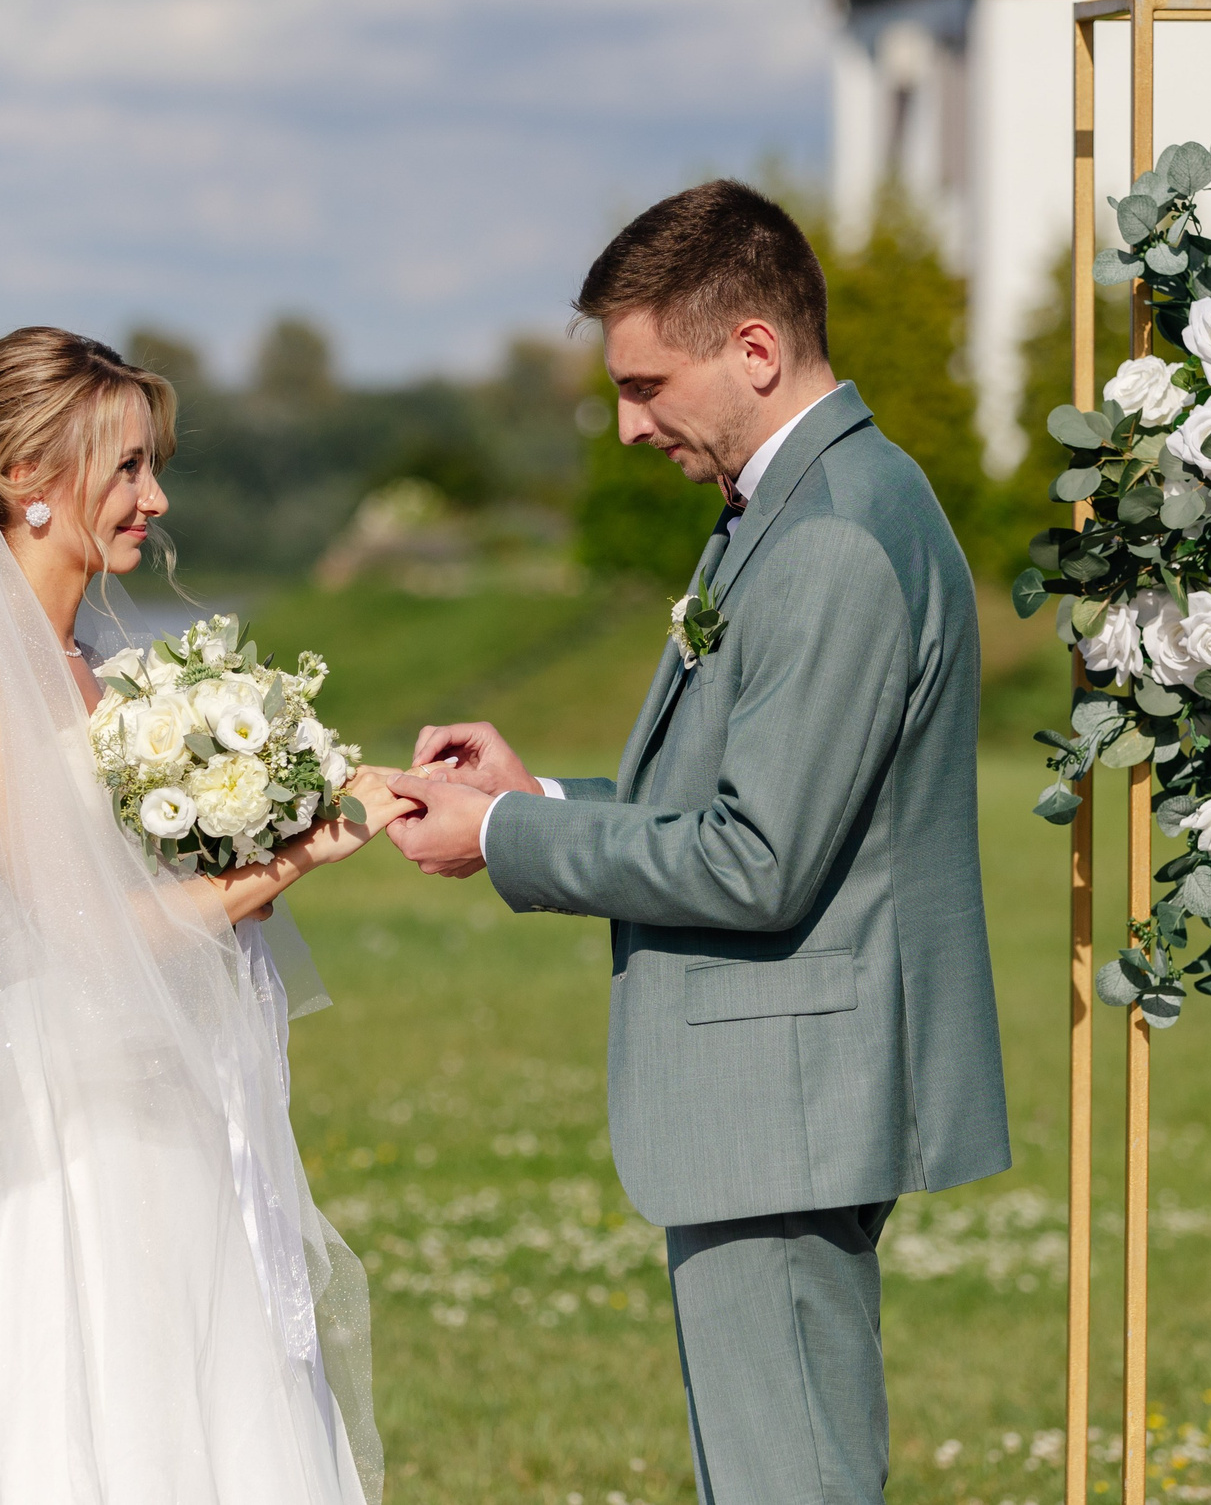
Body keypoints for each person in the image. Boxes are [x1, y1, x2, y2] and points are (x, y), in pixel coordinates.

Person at [388, 181, 1009, 1505]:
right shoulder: (798, 503)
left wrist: (504, 837)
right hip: (780, 1084)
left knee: (790, 1478)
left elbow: (756, 857)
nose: (626, 424)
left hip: (787, 1097)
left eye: (646, 381)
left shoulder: (835, 534)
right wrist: (543, 792)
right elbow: (749, 793)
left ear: (755, 350)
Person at [0, 328, 404, 1505]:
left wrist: (257, 824)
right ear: (23, 482)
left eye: (150, 466)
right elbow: (82, 930)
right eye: (126, 469)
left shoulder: (99, 673)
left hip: (166, 1096)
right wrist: (308, 848)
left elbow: (169, 904)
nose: (154, 498)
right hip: (69, 1119)